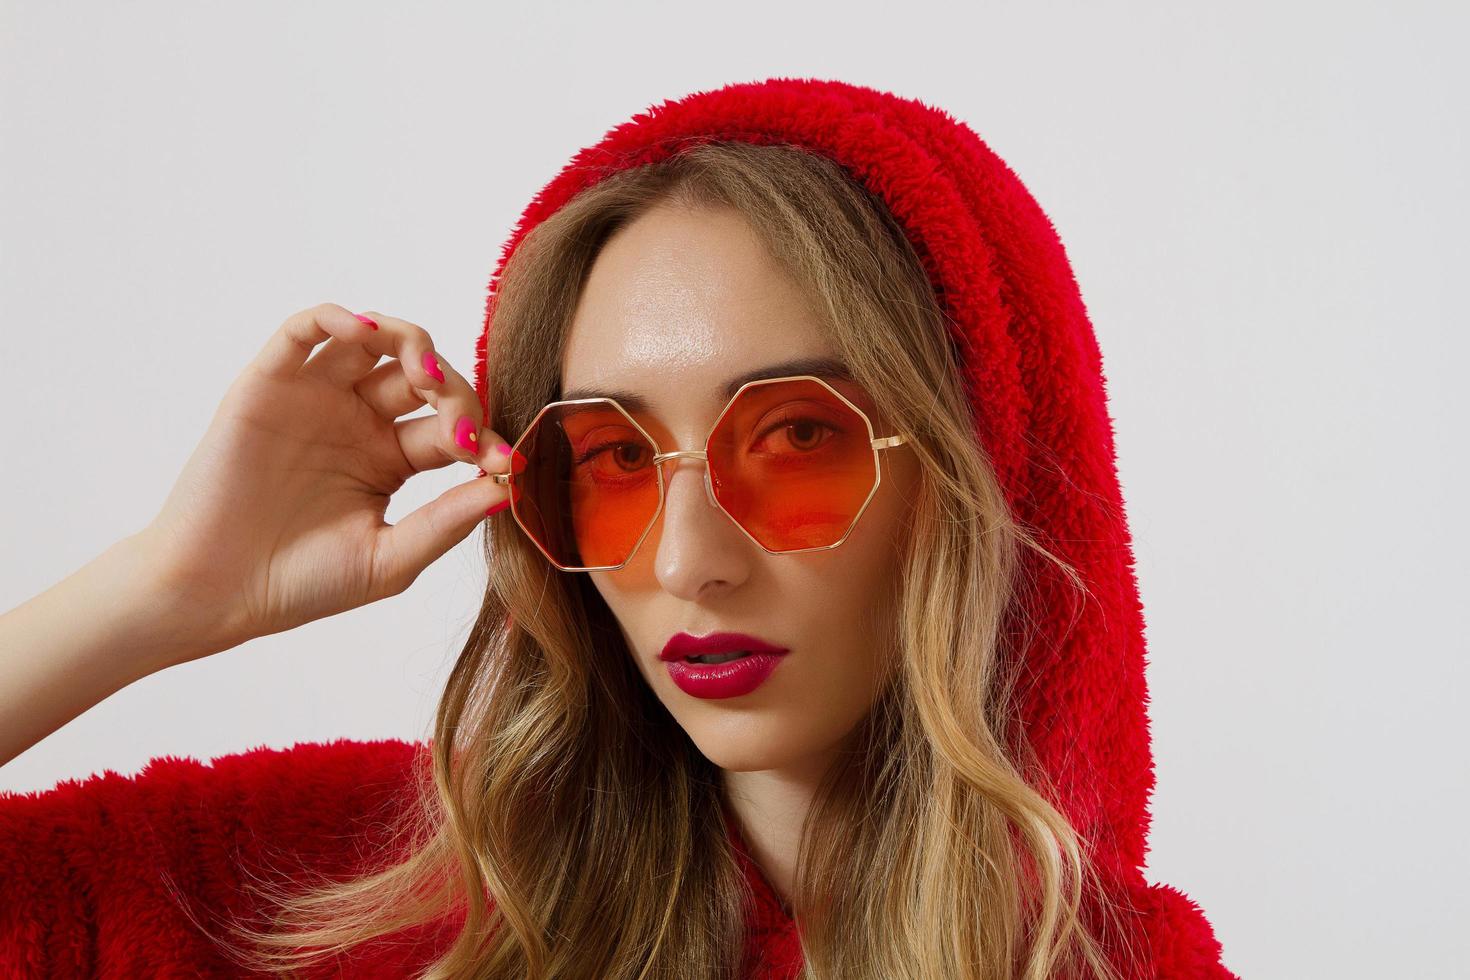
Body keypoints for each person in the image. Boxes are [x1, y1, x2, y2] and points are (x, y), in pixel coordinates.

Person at [0, 78, 1236, 979]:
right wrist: (163, 589)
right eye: (613, 457)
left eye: (798, 435)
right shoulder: (357, 891)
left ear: (990, 478)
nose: (691, 556)